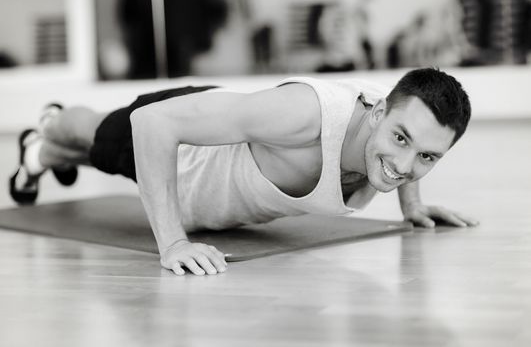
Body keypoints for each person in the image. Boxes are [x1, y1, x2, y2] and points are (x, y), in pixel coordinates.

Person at [9, 68, 478, 276]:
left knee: (85, 154)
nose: (403, 166)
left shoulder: (400, 118)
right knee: (96, 136)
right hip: (184, 155)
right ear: (377, 115)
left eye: (427, 158)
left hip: (208, 193)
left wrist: (412, 205)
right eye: (400, 140)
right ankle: (51, 125)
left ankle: (41, 154)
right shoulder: (305, 115)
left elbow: (417, 139)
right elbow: (151, 124)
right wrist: (172, 244)